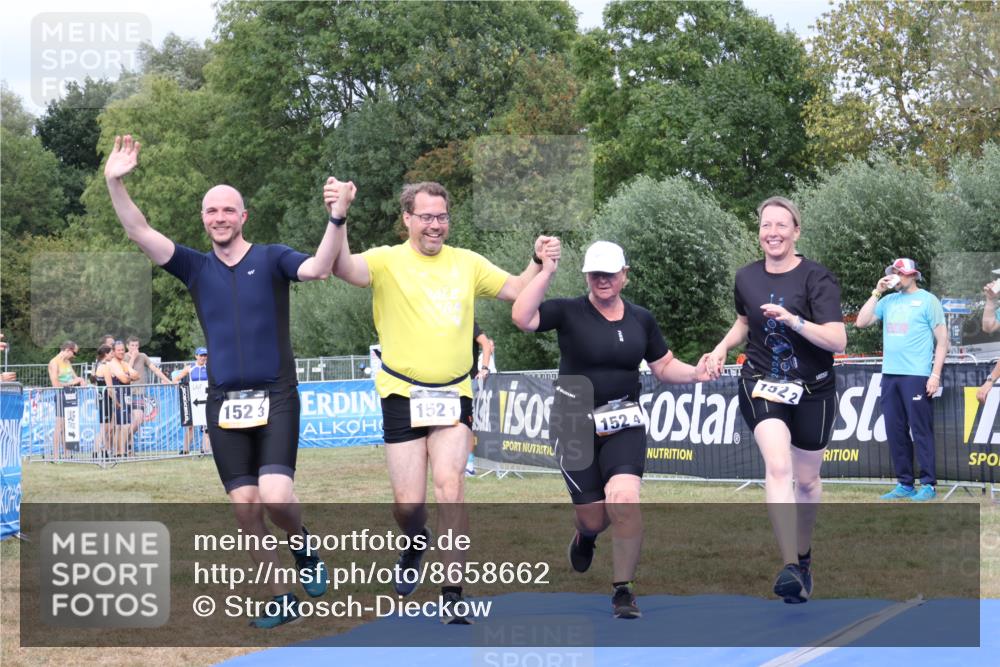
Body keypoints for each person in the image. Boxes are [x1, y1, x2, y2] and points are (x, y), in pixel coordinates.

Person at [105, 134, 350, 628]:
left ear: (244, 217)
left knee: (277, 497)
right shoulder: (194, 267)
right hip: (222, 402)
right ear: (204, 219)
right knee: (245, 509)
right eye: (211, 210)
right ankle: (282, 598)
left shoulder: (274, 257)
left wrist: (337, 218)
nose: (219, 217)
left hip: (276, 395)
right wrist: (114, 180)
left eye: (228, 210)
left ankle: (303, 545)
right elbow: (139, 230)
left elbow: (320, 267)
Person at [327, 180, 560, 623]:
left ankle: (452, 592)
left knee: (451, 487)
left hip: (454, 393)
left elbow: (514, 288)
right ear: (407, 219)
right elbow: (341, 267)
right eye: (427, 217)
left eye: (442, 217)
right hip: (401, 394)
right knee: (407, 506)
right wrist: (340, 216)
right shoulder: (385, 260)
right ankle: (415, 539)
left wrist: (536, 261)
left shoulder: (466, 263)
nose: (436, 225)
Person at [513, 240, 711, 619]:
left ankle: (623, 590)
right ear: (586, 275)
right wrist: (546, 271)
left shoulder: (641, 319)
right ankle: (585, 535)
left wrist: (696, 373)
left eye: (610, 273)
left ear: (625, 275)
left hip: (624, 422)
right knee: (594, 517)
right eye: (595, 273)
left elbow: (664, 366)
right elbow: (522, 317)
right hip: (573, 423)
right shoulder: (569, 311)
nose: (602, 279)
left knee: (623, 500)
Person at [706, 196, 846, 604]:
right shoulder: (746, 277)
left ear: (796, 231)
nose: (773, 233)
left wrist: (794, 321)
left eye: (781, 226)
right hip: (761, 382)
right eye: (767, 226)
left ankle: (803, 557)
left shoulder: (817, 278)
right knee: (779, 465)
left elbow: (837, 340)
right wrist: (720, 348)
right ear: (760, 232)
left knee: (807, 480)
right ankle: (788, 566)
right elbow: (744, 322)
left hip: (813, 388)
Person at [856, 258, 948, 501]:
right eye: (893, 272)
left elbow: (943, 340)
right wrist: (877, 291)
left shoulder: (928, 300)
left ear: (912, 275)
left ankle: (928, 485)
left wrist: (935, 374)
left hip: (917, 375)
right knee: (895, 431)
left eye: (900, 272)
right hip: (890, 376)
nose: (895, 276)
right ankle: (905, 483)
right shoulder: (888, 300)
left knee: (921, 431)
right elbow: (861, 322)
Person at [124, 336, 174, 442]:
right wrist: (133, 357)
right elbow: (127, 371)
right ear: (127, 346)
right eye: (132, 345)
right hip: (127, 393)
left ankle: (125, 442)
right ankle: (123, 443)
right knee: (132, 421)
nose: (134, 347)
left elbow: (155, 370)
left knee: (139, 420)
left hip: (140, 393)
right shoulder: (124, 357)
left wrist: (168, 381)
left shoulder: (143, 356)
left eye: (136, 345)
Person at [466, 322, 496, 476]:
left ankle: (469, 465)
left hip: (468, 381)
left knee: (465, 425)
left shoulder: (468, 321)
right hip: (448, 381)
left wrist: (484, 369)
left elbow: (486, 343)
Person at [48, 341, 86, 459]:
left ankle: (67, 454)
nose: (74, 356)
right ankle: (55, 455)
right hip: (61, 395)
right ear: (68, 350)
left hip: (71, 394)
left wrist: (81, 380)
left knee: (69, 425)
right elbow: (55, 384)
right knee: (59, 425)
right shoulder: (54, 362)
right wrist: (72, 382)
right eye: (74, 353)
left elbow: (76, 378)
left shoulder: (68, 362)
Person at [174, 347, 212, 455]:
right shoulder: (190, 368)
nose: (203, 357)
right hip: (192, 401)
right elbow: (176, 379)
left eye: (205, 355)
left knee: (206, 427)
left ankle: (206, 450)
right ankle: (185, 450)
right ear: (196, 356)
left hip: (205, 400)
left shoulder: (209, 368)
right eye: (201, 355)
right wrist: (182, 388)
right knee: (190, 427)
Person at [106, 340, 139, 457]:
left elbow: (137, 375)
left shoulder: (123, 363)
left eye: (122, 350)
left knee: (122, 426)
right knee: (121, 426)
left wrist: (128, 376)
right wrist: (129, 377)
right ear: (113, 352)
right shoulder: (113, 363)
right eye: (118, 350)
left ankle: (119, 452)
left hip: (125, 397)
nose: (121, 352)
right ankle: (118, 452)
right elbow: (125, 379)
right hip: (118, 398)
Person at [91, 345, 114, 459]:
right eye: (111, 353)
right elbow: (110, 388)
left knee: (106, 428)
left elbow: (94, 383)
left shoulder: (96, 366)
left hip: (101, 399)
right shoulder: (105, 367)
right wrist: (117, 402)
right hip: (106, 400)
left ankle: (102, 451)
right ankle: (97, 451)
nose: (112, 355)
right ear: (106, 354)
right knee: (104, 428)